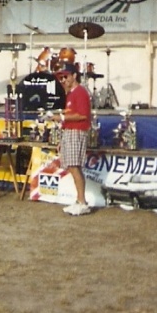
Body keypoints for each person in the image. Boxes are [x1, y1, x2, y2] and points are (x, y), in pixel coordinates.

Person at [52, 62, 93, 216]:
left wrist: (61, 116)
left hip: (77, 131)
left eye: (66, 76)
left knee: (74, 166)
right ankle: (79, 200)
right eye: (61, 77)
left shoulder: (80, 92)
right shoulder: (71, 94)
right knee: (71, 166)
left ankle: (82, 202)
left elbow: (82, 115)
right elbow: (70, 114)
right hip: (69, 131)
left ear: (74, 76)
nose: (63, 80)